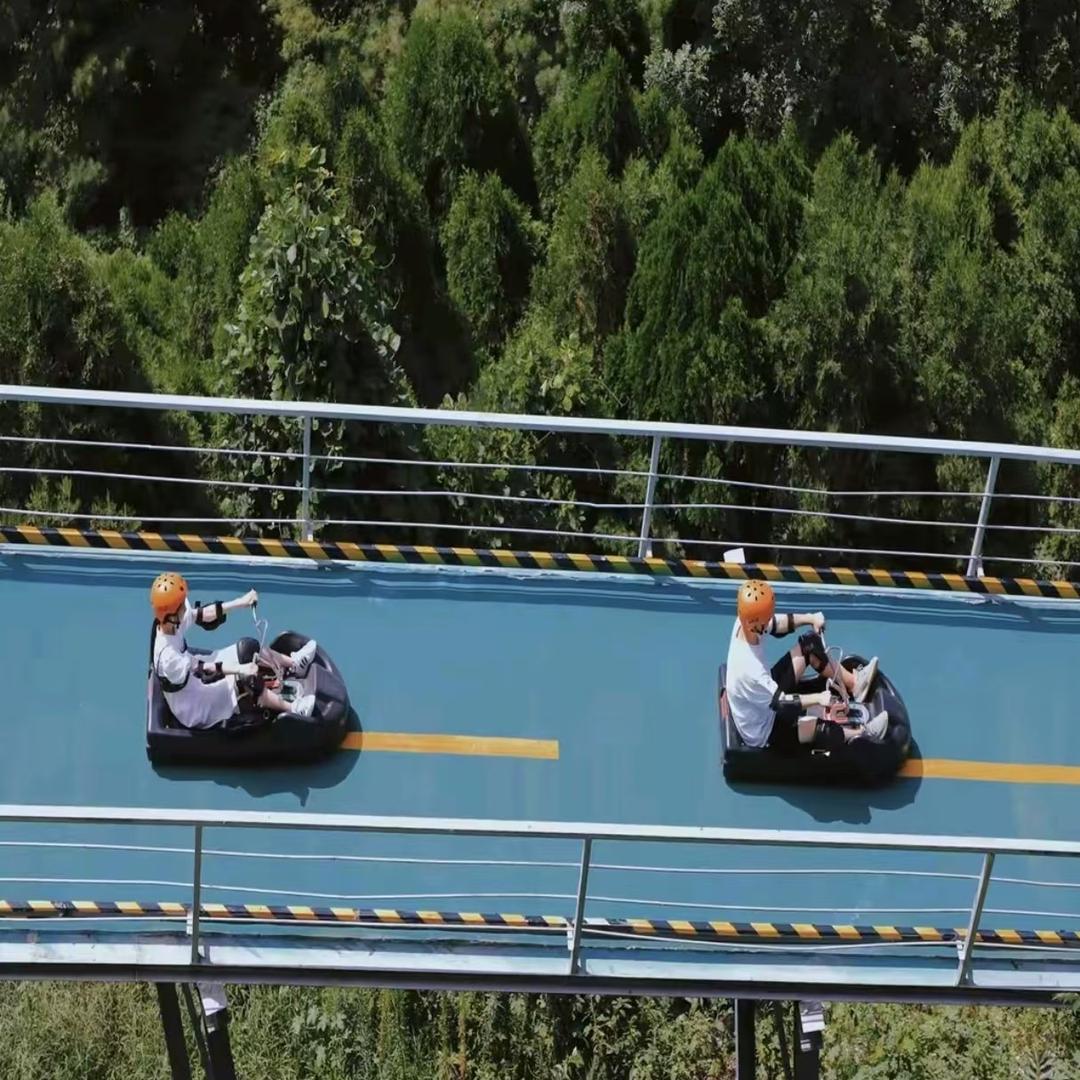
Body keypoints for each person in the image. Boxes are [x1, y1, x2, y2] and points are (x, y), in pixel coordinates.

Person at [725, 579, 889, 754]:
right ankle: (864, 734)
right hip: (764, 730)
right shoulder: (751, 670)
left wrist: (810, 618)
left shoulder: (746, 622)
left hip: (761, 702)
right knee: (815, 728)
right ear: (756, 622)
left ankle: (855, 684)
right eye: (767, 616)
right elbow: (782, 703)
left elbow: (778, 624)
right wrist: (819, 698)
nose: (770, 618)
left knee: (809, 645)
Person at [150, 571, 318, 730]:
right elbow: (202, 668)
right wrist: (240, 669)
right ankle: (293, 709)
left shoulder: (170, 624)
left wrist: (241, 602)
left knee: (248, 648)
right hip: (194, 703)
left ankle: (295, 664)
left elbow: (202, 614)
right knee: (245, 679)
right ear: (171, 615)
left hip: (194, 674)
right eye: (181, 608)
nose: (185, 610)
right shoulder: (167, 657)